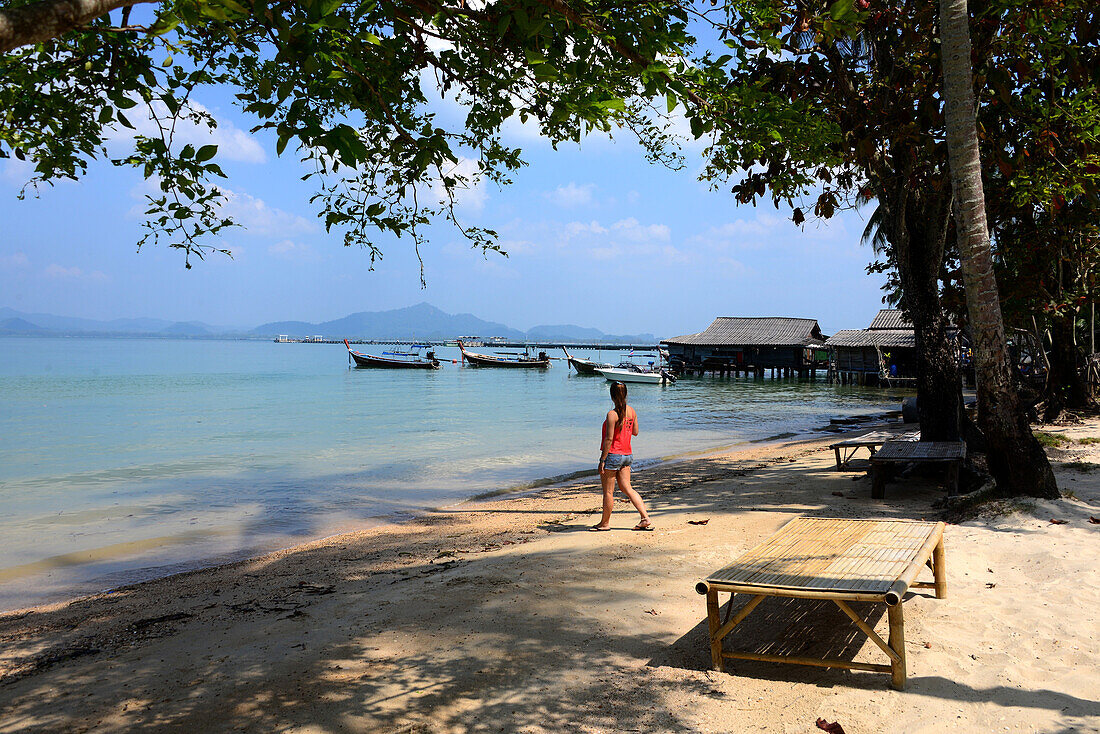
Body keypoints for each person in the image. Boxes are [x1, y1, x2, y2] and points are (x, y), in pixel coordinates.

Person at [591, 381, 654, 531]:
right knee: (628, 488)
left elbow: (609, 439)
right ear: (625, 394)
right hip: (627, 455)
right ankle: (645, 518)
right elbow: (635, 432)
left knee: (608, 492)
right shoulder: (631, 411)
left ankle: (605, 523)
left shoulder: (612, 414)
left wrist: (602, 460)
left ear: (612, 395)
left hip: (613, 455)